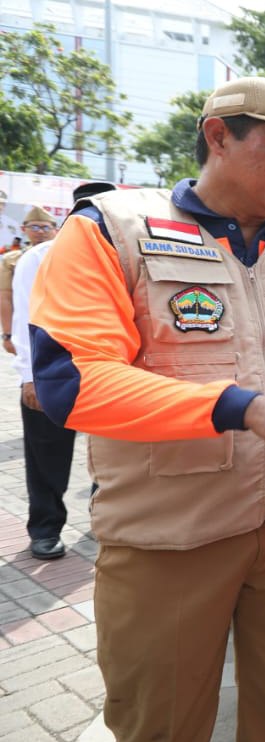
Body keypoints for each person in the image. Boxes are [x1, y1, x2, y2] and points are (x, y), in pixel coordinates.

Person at [28, 76, 265, 742]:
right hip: (173, 537)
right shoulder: (108, 230)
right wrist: (241, 409)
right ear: (218, 136)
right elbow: (73, 381)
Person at [13, 185, 111, 560]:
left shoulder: (126, 253)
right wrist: (29, 377)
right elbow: (24, 318)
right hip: (55, 372)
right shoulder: (41, 257)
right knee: (47, 454)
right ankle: (45, 527)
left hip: (108, 372)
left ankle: (104, 518)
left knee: (112, 455)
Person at [2, 206, 58, 356]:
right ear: (23, 229)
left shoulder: (67, 257)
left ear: (56, 230)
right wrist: (8, 334)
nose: (40, 231)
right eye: (34, 227)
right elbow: (5, 297)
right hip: (25, 326)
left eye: (45, 227)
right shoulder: (11, 260)